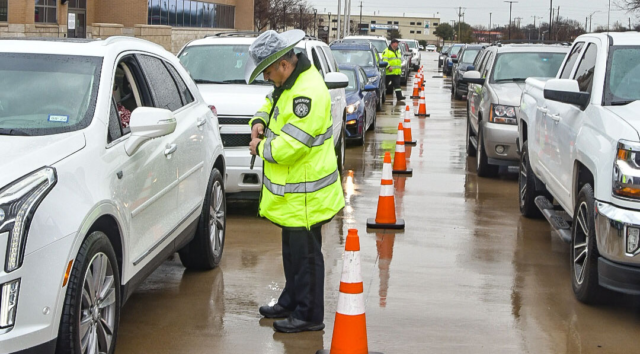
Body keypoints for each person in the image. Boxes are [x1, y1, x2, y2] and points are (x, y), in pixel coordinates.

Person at [245, 30, 345, 333]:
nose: (267, 77)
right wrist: (259, 120)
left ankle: (309, 315)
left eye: (268, 71)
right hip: (295, 195)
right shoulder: (289, 84)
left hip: (306, 194)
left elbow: (291, 147)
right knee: (293, 254)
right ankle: (291, 301)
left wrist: (259, 148)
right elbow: (272, 104)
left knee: (307, 257)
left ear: (283, 65)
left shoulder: (307, 93)